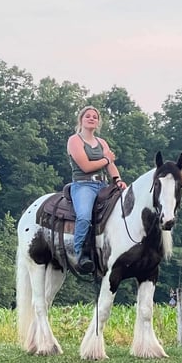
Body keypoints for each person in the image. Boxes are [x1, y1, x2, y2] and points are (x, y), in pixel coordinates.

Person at [67, 105, 127, 273]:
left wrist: (118, 179)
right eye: (88, 116)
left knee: (123, 210)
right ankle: (78, 253)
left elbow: (111, 166)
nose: (91, 118)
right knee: (85, 217)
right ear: (81, 120)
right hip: (83, 185)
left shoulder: (102, 142)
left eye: (95, 116)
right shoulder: (74, 140)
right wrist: (107, 159)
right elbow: (85, 166)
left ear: (98, 122)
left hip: (103, 184)